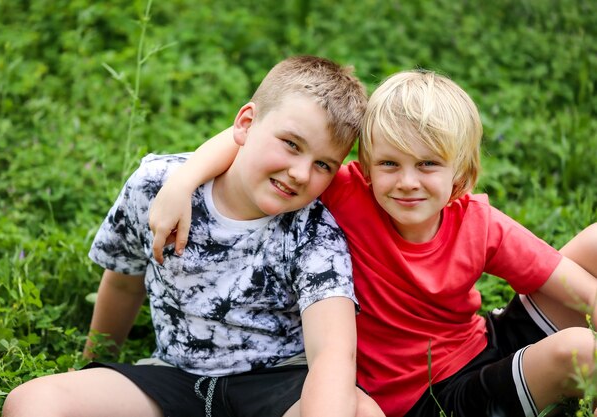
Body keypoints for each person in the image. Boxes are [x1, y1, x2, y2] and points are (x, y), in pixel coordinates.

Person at [147, 69, 597, 417]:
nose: (406, 182)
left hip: (484, 343)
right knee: (578, 350)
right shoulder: (347, 192)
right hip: (430, 399)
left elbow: (573, 283)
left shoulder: (478, 223)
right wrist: (182, 182)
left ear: (460, 174)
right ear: (364, 167)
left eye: (427, 164)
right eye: (388, 163)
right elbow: (252, 135)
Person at [2, 55, 373, 417]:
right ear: (245, 123)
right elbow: (123, 285)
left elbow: (332, 353)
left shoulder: (315, 232)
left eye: (323, 164)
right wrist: (93, 364)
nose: (300, 173)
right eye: (291, 144)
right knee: (33, 403)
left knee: (362, 412)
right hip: (173, 376)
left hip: (274, 385)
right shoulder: (158, 188)